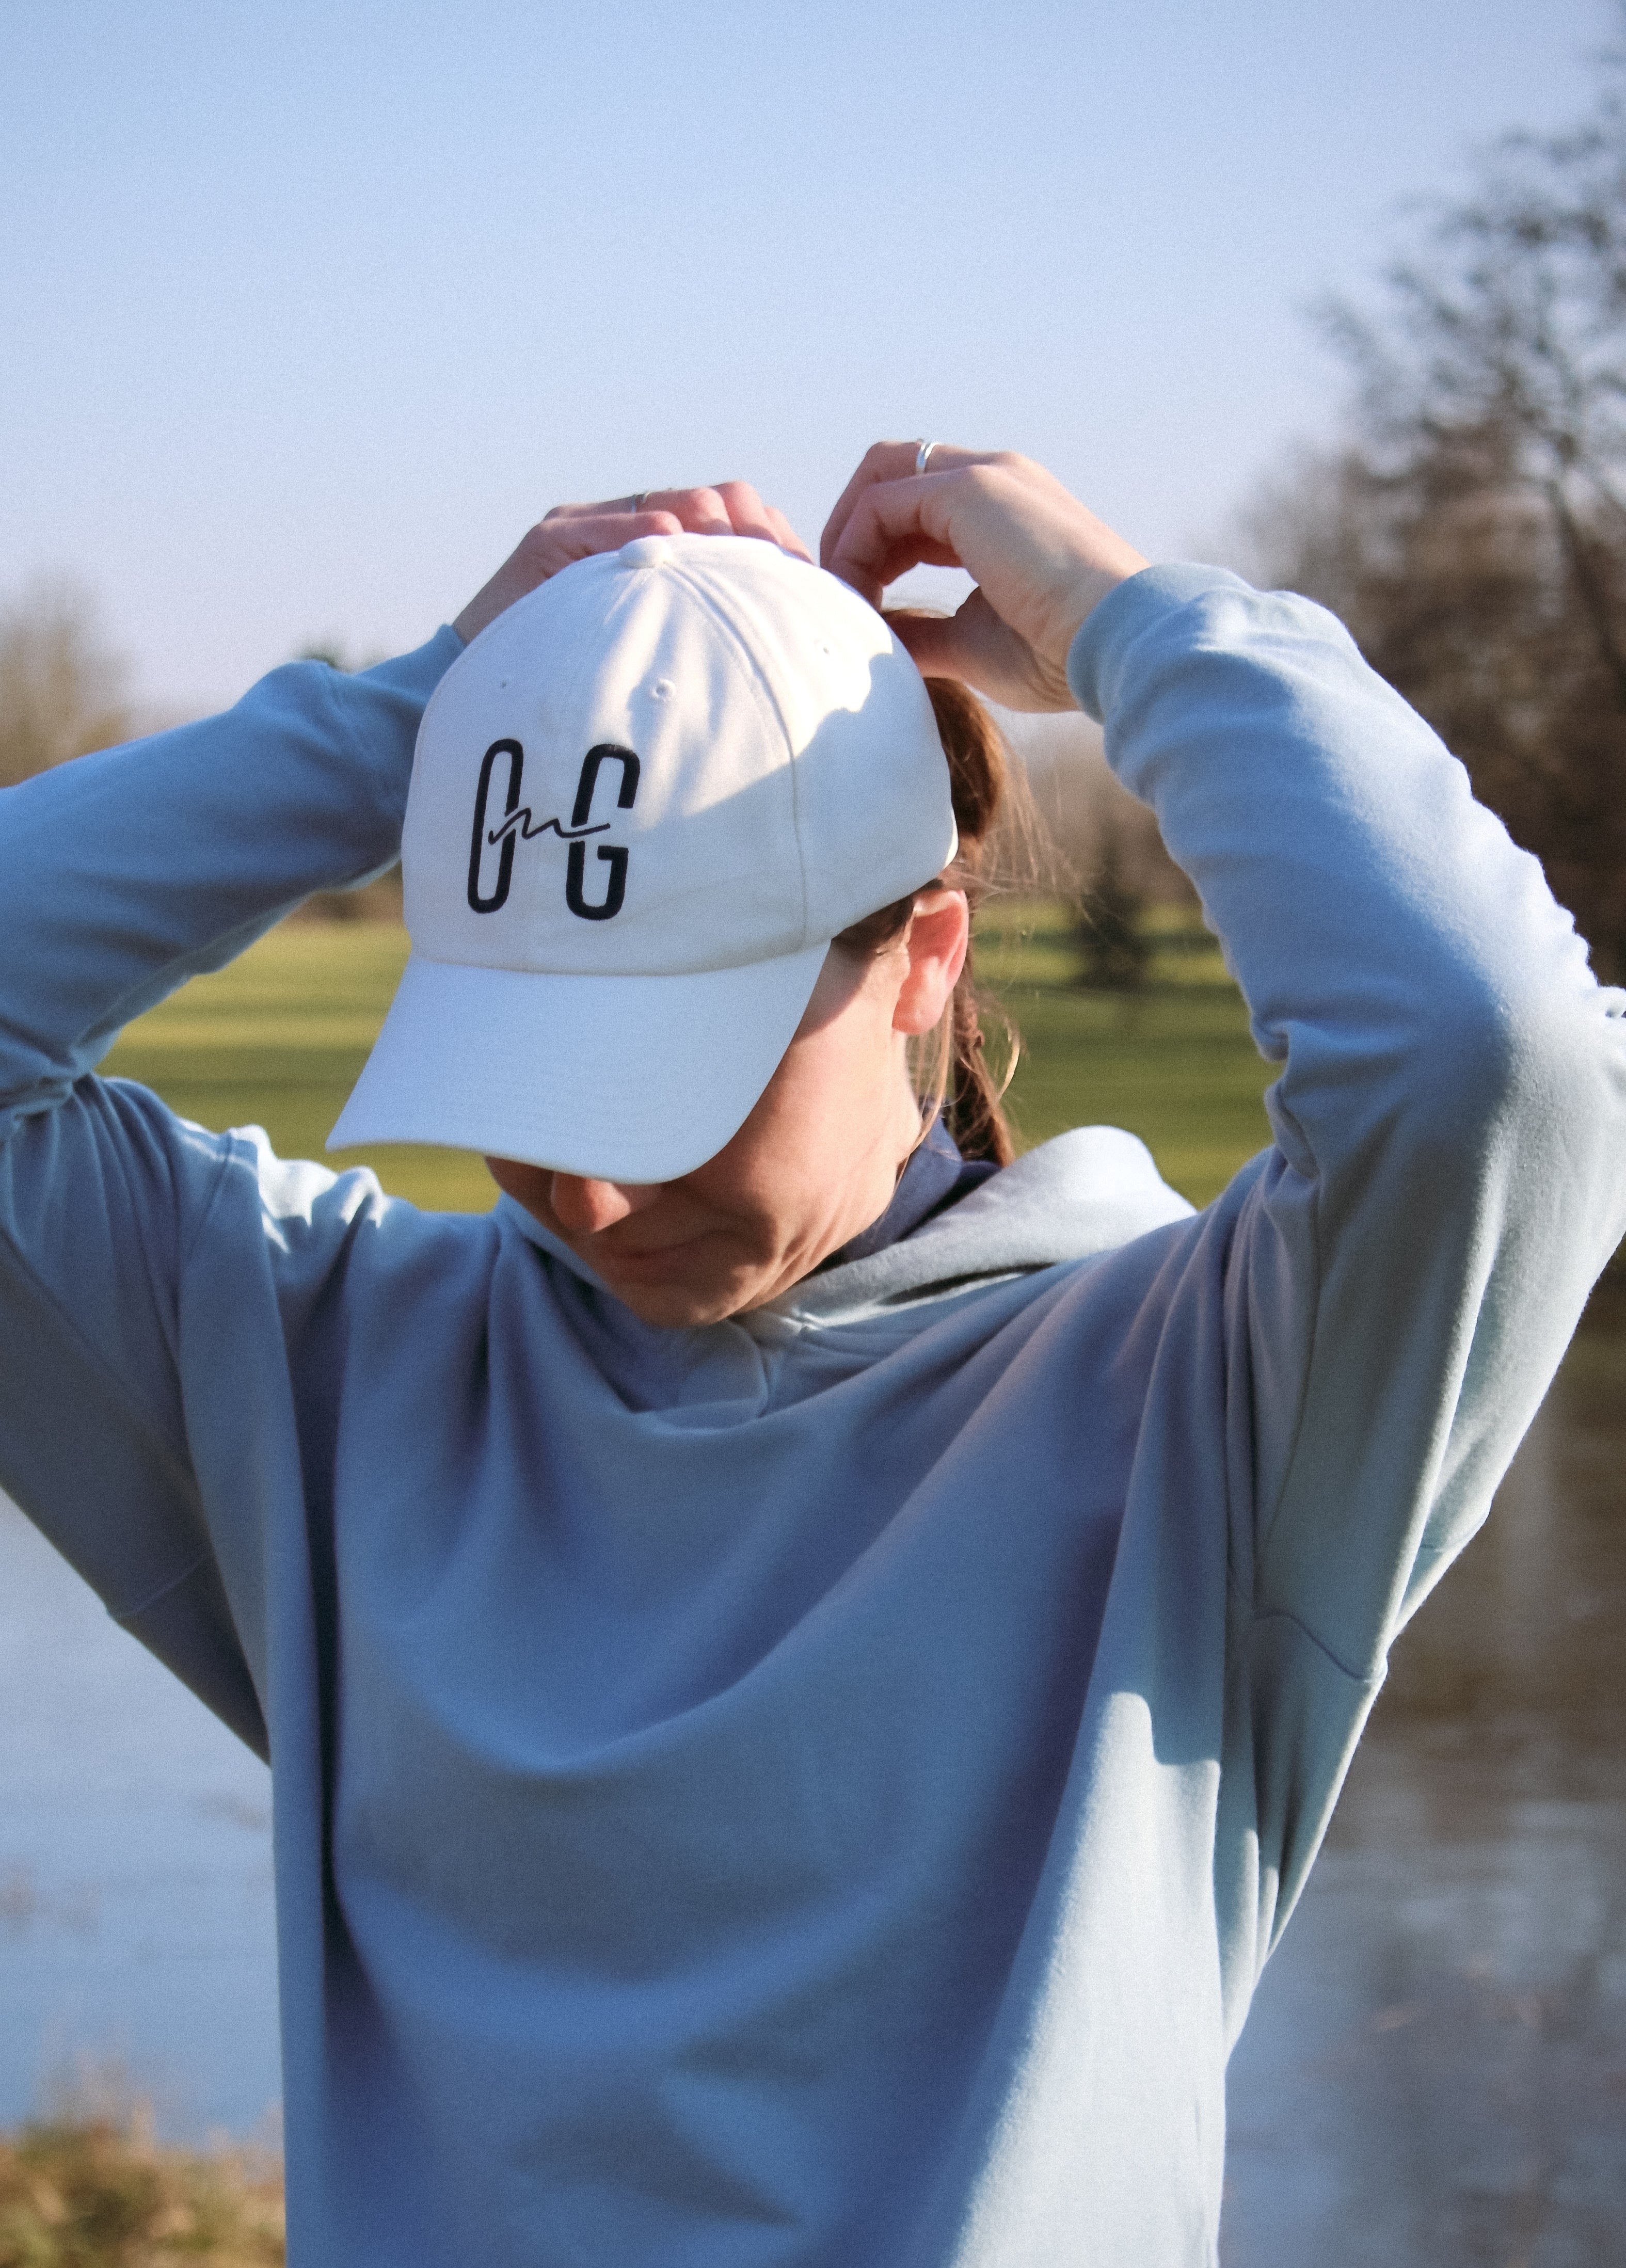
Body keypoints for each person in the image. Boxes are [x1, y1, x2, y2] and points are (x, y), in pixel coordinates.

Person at [0, 442, 1621, 2267]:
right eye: (523, 1093)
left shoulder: (1211, 1400)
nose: (592, 1201)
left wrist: (1118, 624)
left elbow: (1494, 1061)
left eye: (669, 1092)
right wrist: (433, 713)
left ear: (926, 954)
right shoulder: (321, 1370)